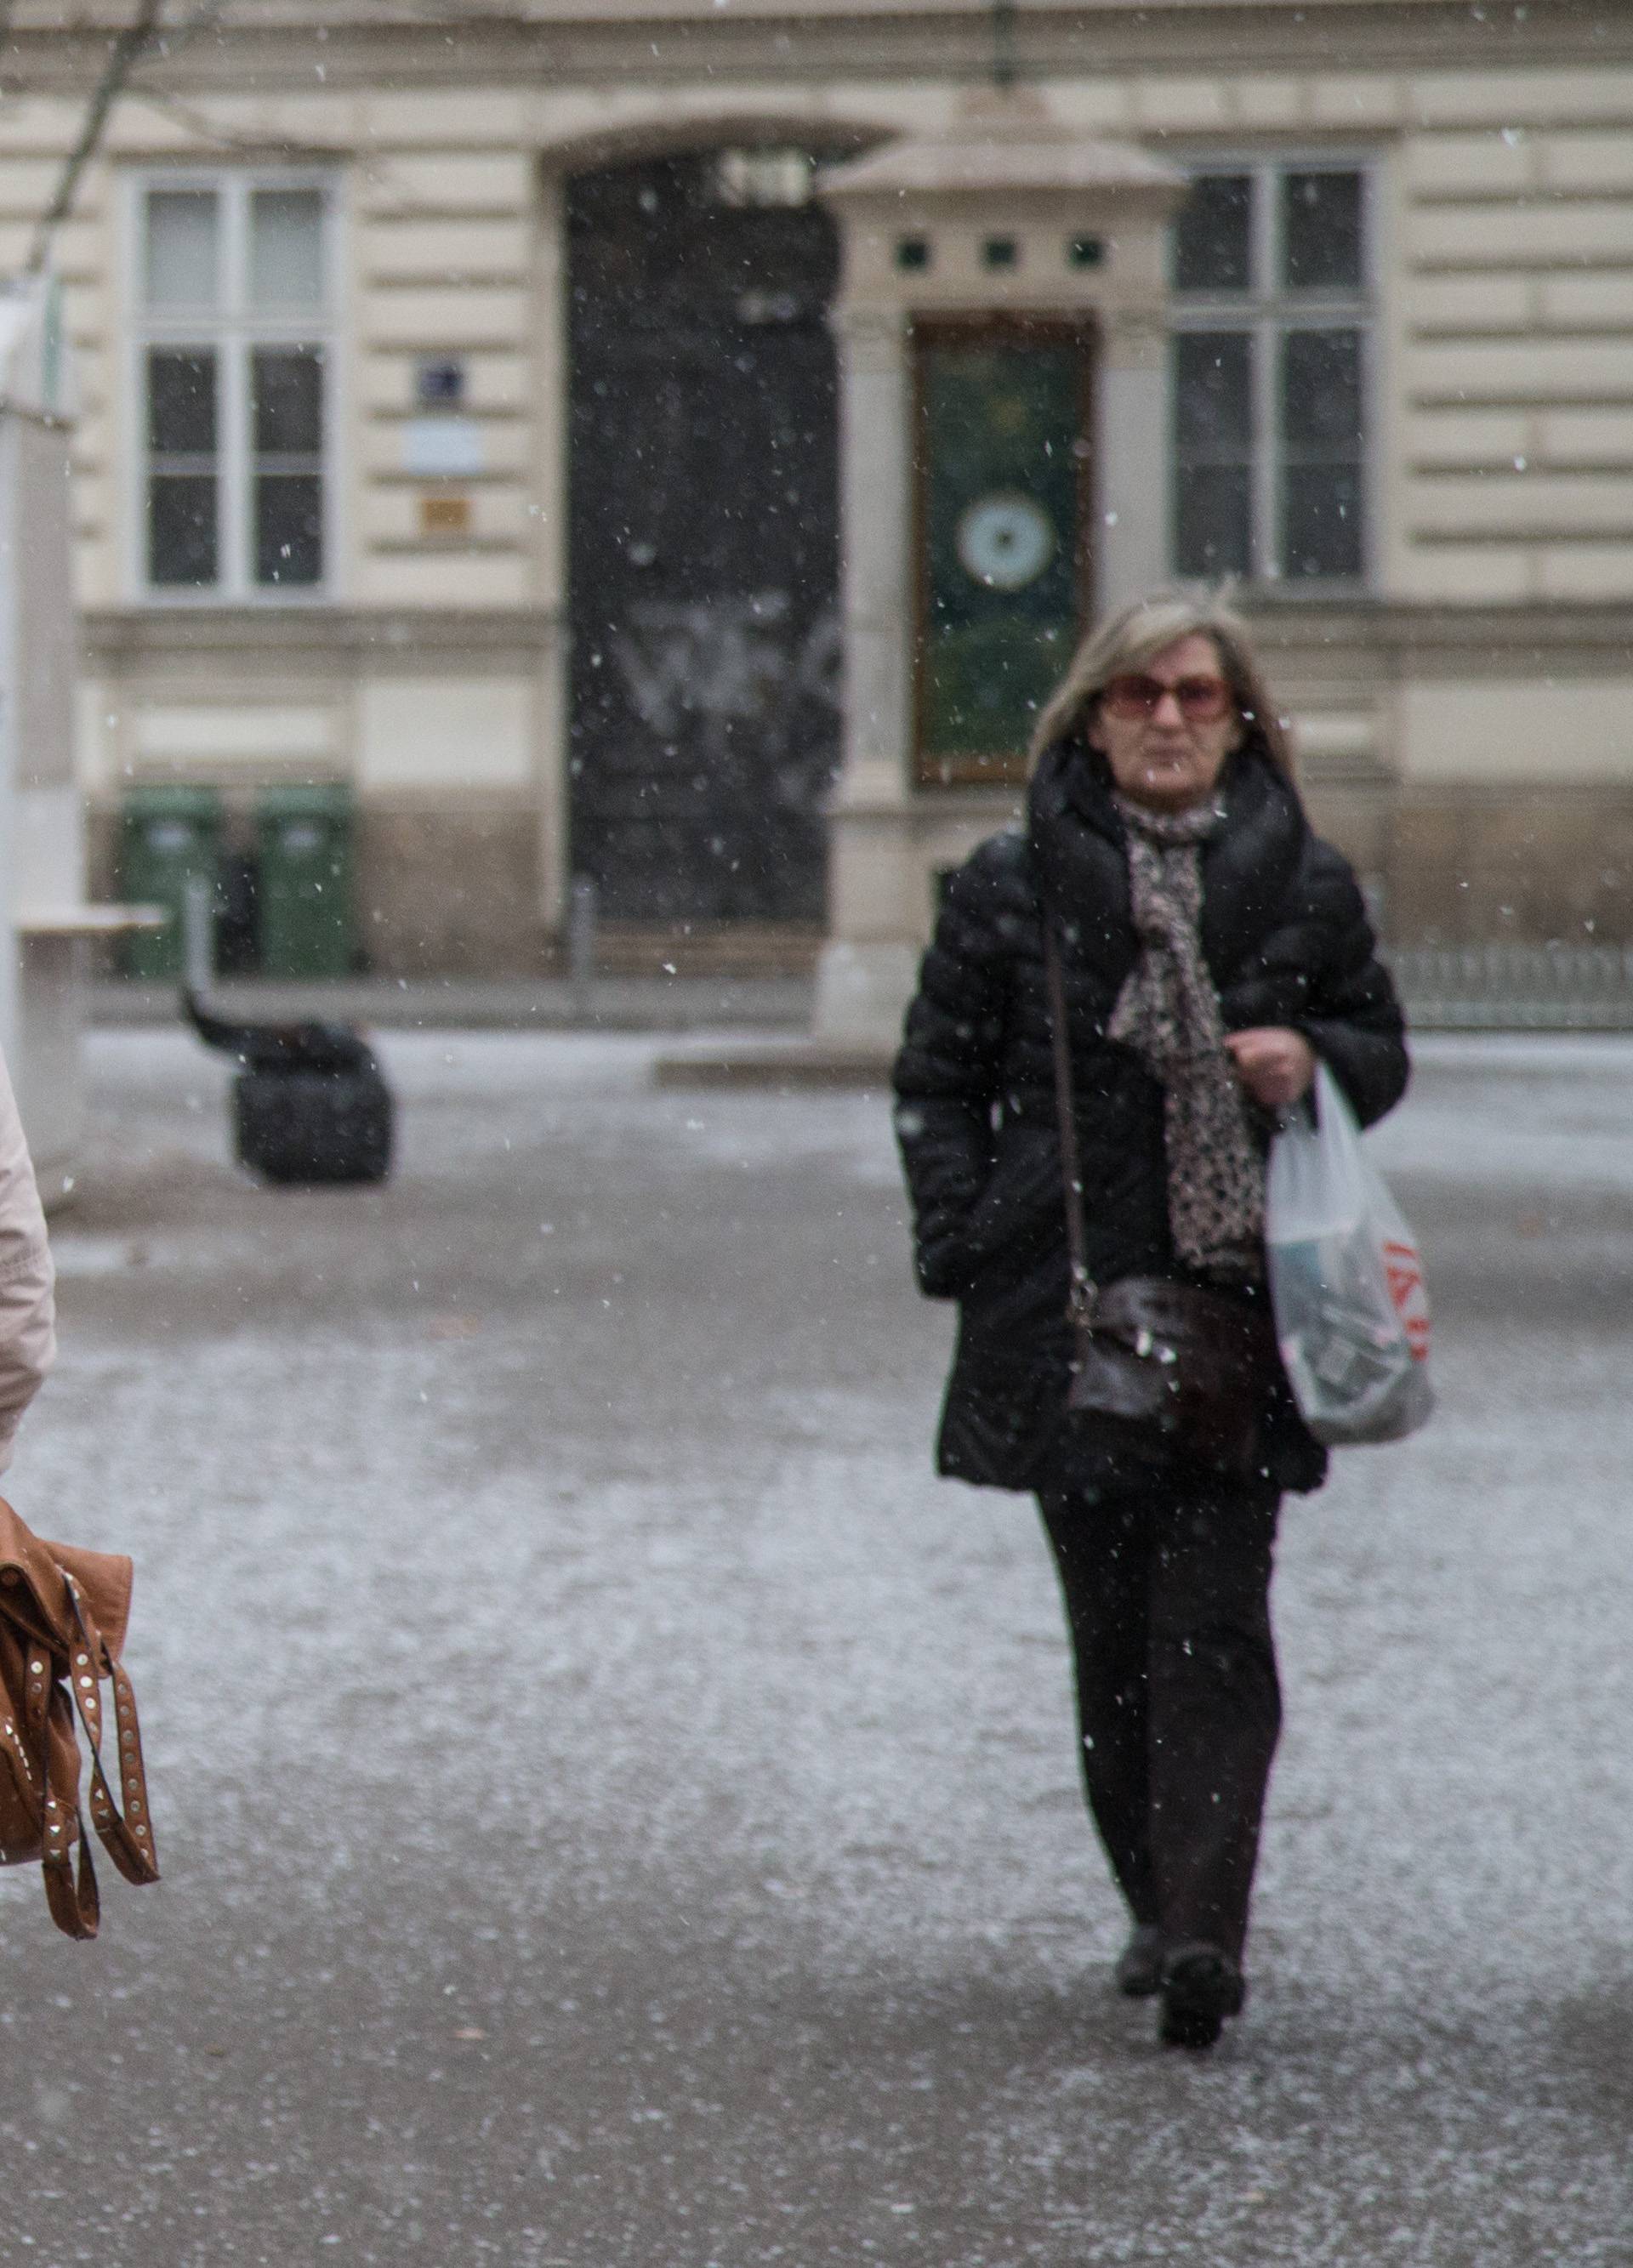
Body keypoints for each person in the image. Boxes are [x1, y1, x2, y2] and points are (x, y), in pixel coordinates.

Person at [892, 588, 1408, 2051]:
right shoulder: (1009, 887)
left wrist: (1309, 1056)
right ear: (1091, 716)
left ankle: (1203, 1932)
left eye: (1197, 695)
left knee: (1218, 1631)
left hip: (1245, 1310)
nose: (1170, 720)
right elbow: (934, 1081)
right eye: (1140, 696)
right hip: (1067, 1311)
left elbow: (1383, 1048)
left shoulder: (1303, 881)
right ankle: (1151, 1892)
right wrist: (962, 1236)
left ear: (1241, 718)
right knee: (1114, 1636)